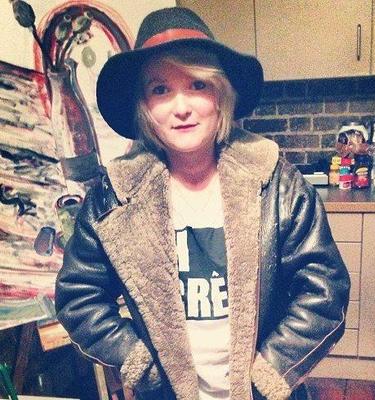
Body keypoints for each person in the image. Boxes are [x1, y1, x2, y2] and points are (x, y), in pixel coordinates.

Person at [55, 7, 350, 400]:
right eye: (160, 89)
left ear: (220, 95)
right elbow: (79, 296)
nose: (181, 108)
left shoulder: (278, 185)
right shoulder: (115, 196)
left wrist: (269, 373)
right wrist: (137, 361)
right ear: (144, 105)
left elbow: (325, 294)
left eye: (197, 84)